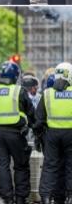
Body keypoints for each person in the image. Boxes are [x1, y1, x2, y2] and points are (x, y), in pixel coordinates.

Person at [0, 61, 35, 204]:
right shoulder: (18, 90)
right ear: (15, 76)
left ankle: (7, 198)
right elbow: (31, 111)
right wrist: (33, 126)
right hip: (16, 133)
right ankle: (20, 198)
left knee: (2, 166)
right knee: (21, 165)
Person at [35, 62, 72, 204]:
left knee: (50, 166)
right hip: (70, 134)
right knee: (70, 166)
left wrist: (39, 136)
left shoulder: (47, 93)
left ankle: (45, 196)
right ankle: (70, 196)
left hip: (52, 135)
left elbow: (39, 118)